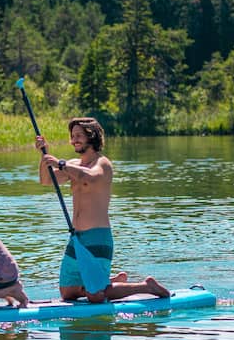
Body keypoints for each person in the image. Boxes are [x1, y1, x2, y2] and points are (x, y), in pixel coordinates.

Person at [35, 117, 169, 303]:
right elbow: (46, 180)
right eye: (72, 136)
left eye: (79, 135)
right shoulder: (74, 164)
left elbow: (90, 177)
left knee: (96, 296)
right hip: (76, 238)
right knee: (68, 292)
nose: (74, 140)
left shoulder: (102, 163)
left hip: (97, 236)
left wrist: (61, 164)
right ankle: (109, 283)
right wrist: (44, 155)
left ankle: (146, 286)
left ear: (92, 136)